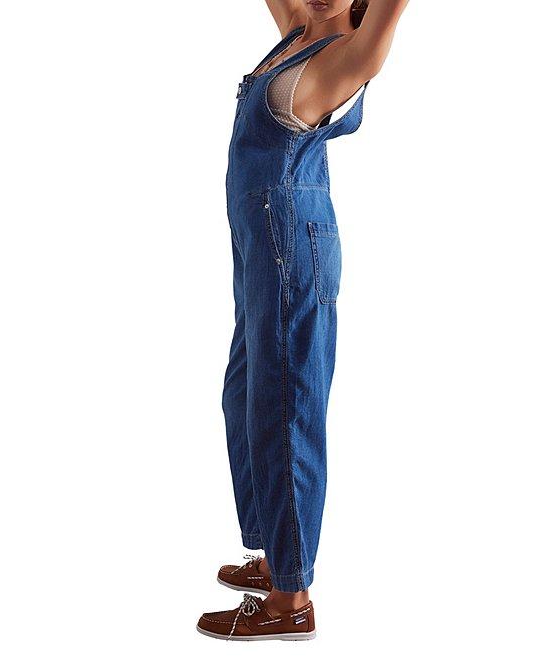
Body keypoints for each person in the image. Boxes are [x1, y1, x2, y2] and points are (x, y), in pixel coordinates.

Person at [196, 0, 409, 641]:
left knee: (286, 409)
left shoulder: (350, 56)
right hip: (257, 246)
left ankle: (292, 600)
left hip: (292, 244)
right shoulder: (296, 32)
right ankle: (275, 556)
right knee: (244, 396)